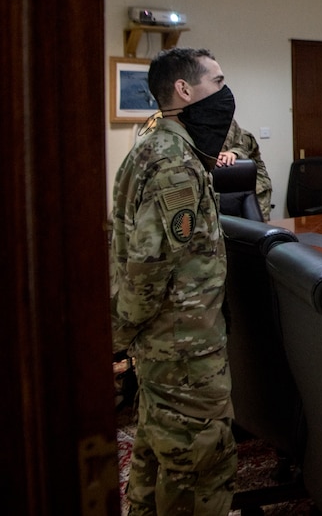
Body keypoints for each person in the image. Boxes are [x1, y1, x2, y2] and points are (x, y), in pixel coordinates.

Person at [110, 47, 238, 516]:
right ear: (185, 90)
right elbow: (149, 268)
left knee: (155, 453)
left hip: (161, 346)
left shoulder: (150, 145)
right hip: (183, 349)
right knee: (200, 468)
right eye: (218, 81)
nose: (226, 94)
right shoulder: (175, 163)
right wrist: (124, 334)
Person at [217, 119, 273, 220]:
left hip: (256, 189)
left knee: (259, 228)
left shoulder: (244, 136)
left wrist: (233, 153)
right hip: (226, 189)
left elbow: (243, 149)